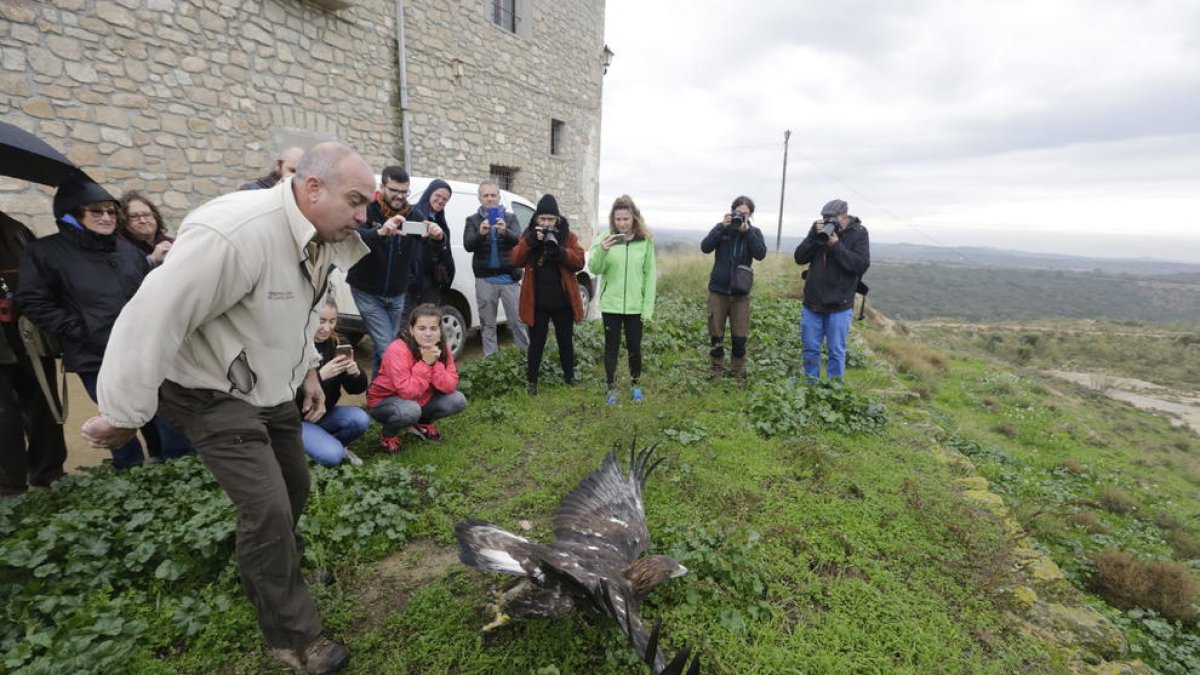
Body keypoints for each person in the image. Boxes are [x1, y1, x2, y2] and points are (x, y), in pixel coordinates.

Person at [81, 141, 375, 674]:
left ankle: (276, 570)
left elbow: (300, 313)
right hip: (207, 388)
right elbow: (153, 315)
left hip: (269, 387)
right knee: (265, 507)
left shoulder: (321, 238)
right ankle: (294, 637)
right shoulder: (236, 233)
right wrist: (124, 413)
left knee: (293, 488)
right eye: (355, 201)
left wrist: (308, 368)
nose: (363, 215)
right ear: (313, 187)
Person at [17, 174, 188, 469]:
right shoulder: (45, 253)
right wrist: (80, 329)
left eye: (111, 211)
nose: (107, 217)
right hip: (94, 355)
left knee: (168, 413)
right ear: (71, 215)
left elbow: (148, 293)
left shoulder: (127, 251)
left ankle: (178, 470)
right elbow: (33, 301)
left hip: (145, 350)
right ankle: (128, 477)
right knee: (116, 422)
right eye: (97, 211)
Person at [0, 210, 67, 498]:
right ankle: (9, 487)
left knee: (43, 400)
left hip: (26, 330)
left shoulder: (15, 228)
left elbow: (38, 273)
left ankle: (49, 472)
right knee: (2, 413)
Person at [510, 194, 586, 396]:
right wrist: (530, 241)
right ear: (536, 218)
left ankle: (569, 377)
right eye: (542, 219)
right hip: (537, 302)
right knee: (536, 343)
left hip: (562, 301)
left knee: (565, 341)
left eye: (550, 219)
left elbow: (579, 262)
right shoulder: (529, 235)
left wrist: (561, 252)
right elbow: (515, 260)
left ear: (557, 219)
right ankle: (532, 382)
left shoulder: (568, 236)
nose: (546, 223)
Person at [367, 303, 467, 452]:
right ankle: (388, 435)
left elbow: (450, 385)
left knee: (457, 400)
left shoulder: (442, 348)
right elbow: (408, 392)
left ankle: (422, 423)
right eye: (422, 328)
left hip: (419, 399)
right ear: (411, 330)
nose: (428, 334)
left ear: (440, 331)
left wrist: (435, 364)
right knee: (410, 410)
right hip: (385, 402)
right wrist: (426, 363)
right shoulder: (397, 350)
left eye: (433, 328)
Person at [345, 165, 416, 375]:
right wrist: (381, 232)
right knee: (387, 347)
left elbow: (434, 242)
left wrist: (438, 236)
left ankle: (377, 397)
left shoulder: (413, 213)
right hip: (366, 291)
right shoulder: (366, 209)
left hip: (397, 294)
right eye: (394, 190)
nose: (400, 196)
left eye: (404, 191)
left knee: (382, 347)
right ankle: (406, 387)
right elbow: (352, 236)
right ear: (382, 186)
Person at [793, 198, 871, 381]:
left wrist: (836, 245)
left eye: (832, 219)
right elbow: (799, 258)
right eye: (824, 218)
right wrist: (814, 236)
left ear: (844, 217)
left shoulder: (859, 233)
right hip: (813, 301)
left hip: (840, 303)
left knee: (836, 350)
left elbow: (859, 265)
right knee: (810, 348)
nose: (828, 223)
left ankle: (834, 389)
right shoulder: (817, 229)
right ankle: (811, 386)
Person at [589, 195, 656, 404]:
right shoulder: (604, 238)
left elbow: (650, 276)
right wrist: (603, 250)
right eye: (618, 219)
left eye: (626, 219)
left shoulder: (644, 242)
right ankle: (612, 389)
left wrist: (647, 310)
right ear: (612, 219)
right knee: (612, 347)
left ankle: (636, 386)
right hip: (612, 305)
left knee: (635, 347)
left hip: (636, 307)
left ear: (634, 218)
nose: (622, 223)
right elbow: (594, 268)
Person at [700, 195, 767, 384]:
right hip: (718, 291)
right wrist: (722, 227)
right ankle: (716, 372)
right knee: (716, 334)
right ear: (731, 212)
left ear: (751, 215)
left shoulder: (754, 232)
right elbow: (705, 247)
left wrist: (748, 233)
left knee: (740, 337)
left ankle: (738, 374)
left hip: (740, 294)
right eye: (738, 213)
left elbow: (760, 253)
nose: (742, 217)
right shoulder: (722, 229)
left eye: (746, 214)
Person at [463, 180, 529, 356]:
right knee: (487, 324)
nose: (490, 199)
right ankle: (491, 362)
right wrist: (481, 233)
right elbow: (468, 245)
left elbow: (518, 240)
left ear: (499, 197)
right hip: (485, 279)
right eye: (486, 195)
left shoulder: (510, 218)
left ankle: (527, 358)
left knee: (517, 321)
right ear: (480, 198)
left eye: (493, 195)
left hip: (509, 278)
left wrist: (504, 231)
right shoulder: (472, 220)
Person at [302, 298, 368, 467]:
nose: (327, 328)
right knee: (332, 456)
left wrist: (355, 373)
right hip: (296, 419)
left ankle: (332, 443)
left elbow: (356, 390)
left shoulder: (339, 342)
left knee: (360, 419)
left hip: (325, 414)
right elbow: (282, 396)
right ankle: (306, 448)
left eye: (332, 321)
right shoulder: (297, 345)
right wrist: (320, 376)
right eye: (321, 321)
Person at [406, 179, 456, 311]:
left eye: (445, 199)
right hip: (412, 280)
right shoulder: (413, 213)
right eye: (438, 196)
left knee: (428, 318)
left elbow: (445, 252)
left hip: (432, 280)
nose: (441, 201)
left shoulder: (440, 220)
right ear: (429, 194)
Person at [118, 190, 174, 268]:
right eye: (134, 216)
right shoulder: (119, 248)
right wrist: (151, 260)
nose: (143, 221)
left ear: (155, 216)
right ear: (123, 221)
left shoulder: (173, 243)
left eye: (147, 215)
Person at [240, 145, 305, 191]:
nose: (295, 176)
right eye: (292, 170)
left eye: (300, 173)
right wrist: (274, 193)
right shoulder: (251, 189)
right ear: (279, 164)